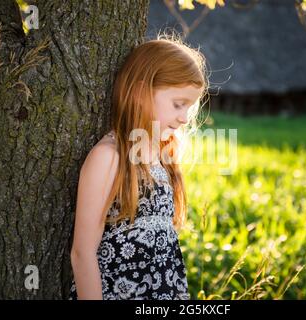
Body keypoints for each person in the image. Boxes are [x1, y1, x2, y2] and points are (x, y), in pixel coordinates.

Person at [69, 34, 208, 300]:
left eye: (189, 108)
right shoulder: (109, 157)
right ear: (140, 92)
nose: (184, 118)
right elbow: (82, 253)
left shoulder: (162, 157)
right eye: (178, 104)